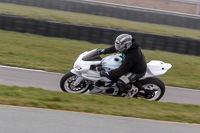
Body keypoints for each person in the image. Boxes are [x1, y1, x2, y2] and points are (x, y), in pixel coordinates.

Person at [98, 34, 147, 98]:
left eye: (120, 46)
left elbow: (121, 70)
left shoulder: (132, 55)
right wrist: (103, 51)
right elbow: (115, 48)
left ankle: (133, 90)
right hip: (130, 64)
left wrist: (108, 73)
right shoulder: (127, 47)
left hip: (136, 71)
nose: (118, 47)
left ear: (127, 45)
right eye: (118, 46)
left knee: (120, 82)